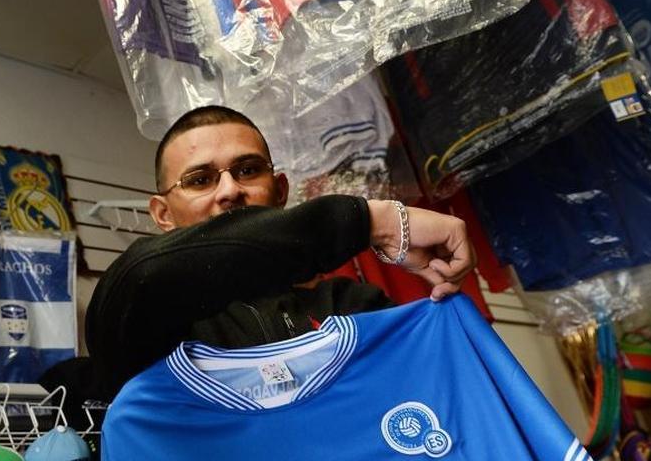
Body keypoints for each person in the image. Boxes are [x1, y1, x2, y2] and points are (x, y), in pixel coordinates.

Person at [84, 105, 476, 396]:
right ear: (163, 214)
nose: (229, 190)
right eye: (200, 179)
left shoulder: (354, 305)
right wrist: (378, 222)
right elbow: (142, 275)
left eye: (248, 170)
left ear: (282, 191)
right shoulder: (144, 321)